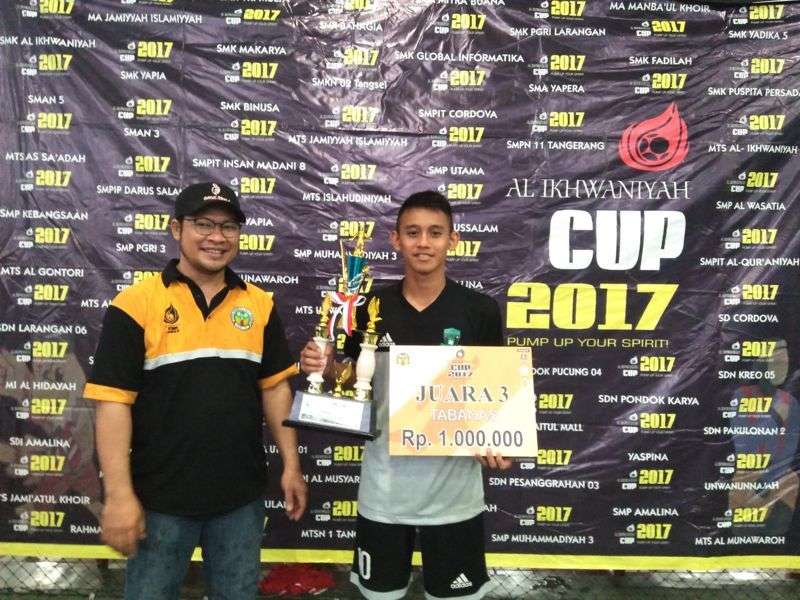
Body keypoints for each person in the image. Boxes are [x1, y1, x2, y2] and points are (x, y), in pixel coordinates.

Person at [84, 182, 307, 600]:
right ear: (176, 229)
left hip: (240, 500)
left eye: (228, 226)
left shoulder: (259, 305)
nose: (216, 237)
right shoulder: (135, 304)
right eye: (203, 224)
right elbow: (112, 404)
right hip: (159, 501)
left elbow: (276, 388)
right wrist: (119, 495)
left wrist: (291, 465)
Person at [300, 191, 511, 600]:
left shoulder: (480, 310)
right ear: (396, 240)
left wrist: (501, 442)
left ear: (453, 240)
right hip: (384, 492)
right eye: (412, 233)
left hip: (455, 497)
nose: (423, 243)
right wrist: (324, 368)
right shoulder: (367, 308)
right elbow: (353, 381)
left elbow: (496, 398)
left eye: (435, 233)